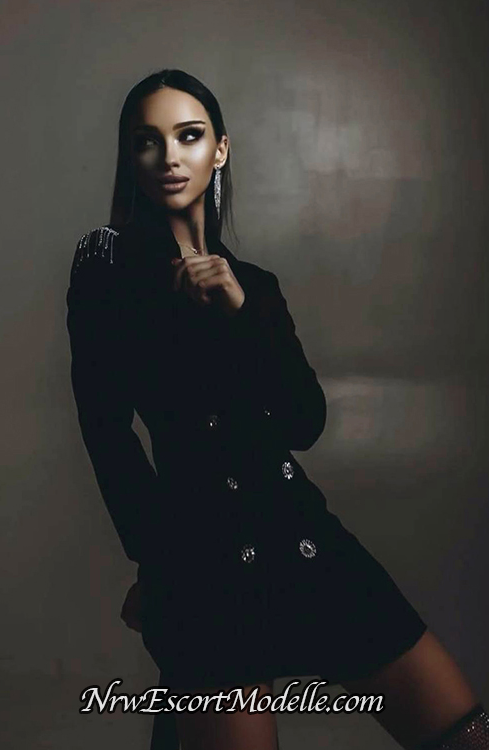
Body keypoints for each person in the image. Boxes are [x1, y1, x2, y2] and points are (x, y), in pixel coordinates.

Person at [66, 69, 488, 750]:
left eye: (189, 136)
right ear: (130, 156)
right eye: (147, 141)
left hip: (301, 534)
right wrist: (160, 561)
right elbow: (105, 428)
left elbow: (304, 423)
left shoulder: (255, 286)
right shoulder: (106, 265)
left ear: (220, 150)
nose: (169, 156)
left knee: (465, 732)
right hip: (203, 560)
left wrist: (241, 312)